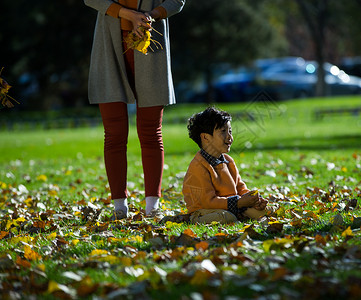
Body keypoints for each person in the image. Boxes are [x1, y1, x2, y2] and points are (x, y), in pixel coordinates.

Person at [84, 0, 185, 220]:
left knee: (150, 132)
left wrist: (152, 15)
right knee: (114, 134)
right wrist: (126, 13)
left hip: (151, 48)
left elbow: (177, 1)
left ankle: (153, 206)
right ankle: (119, 206)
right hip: (109, 48)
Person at [182, 107, 271, 224]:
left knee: (265, 212)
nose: (229, 137)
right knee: (226, 217)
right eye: (223, 131)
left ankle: (241, 214)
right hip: (205, 211)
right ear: (205, 137)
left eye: (230, 131)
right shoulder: (199, 166)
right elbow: (207, 202)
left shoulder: (228, 161)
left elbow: (240, 188)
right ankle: (193, 220)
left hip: (233, 207)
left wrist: (253, 200)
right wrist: (239, 202)